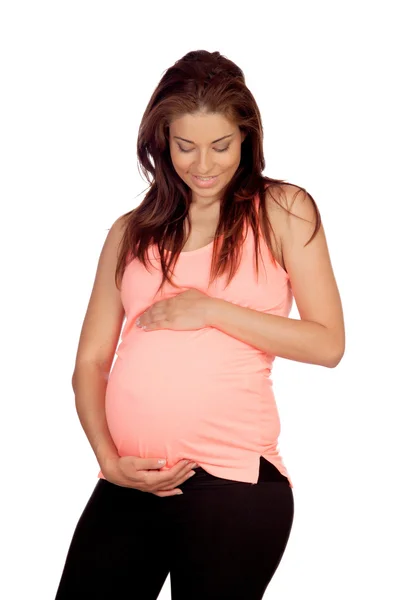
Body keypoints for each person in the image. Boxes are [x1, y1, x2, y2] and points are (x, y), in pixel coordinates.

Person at [54, 49, 345, 599]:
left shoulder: (282, 209)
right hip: (131, 480)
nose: (204, 164)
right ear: (162, 140)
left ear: (246, 138)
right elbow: (90, 362)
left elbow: (328, 343)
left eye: (221, 146)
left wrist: (210, 309)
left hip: (233, 481)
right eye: (186, 146)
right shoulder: (130, 232)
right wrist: (108, 461)